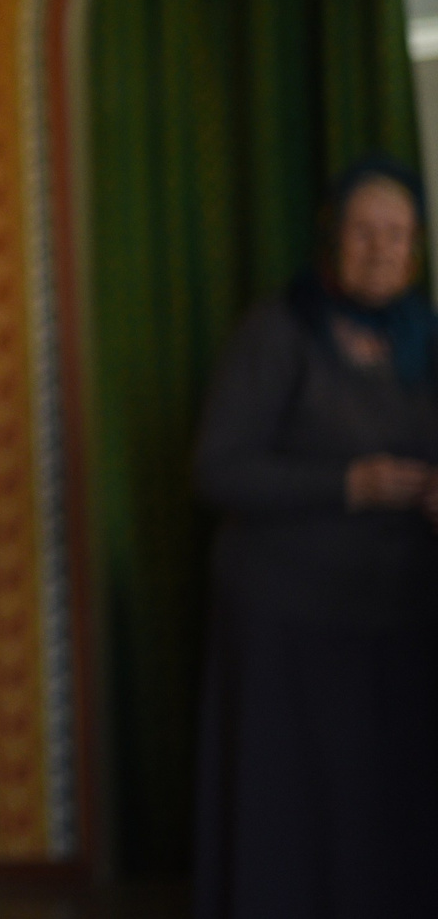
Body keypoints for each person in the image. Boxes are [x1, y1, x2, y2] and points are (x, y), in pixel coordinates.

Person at [193, 159, 438, 918]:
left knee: (387, 813)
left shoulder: (425, 337)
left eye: (397, 233)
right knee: (298, 820)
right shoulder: (280, 330)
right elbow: (216, 468)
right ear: (333, 237)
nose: (380, 248)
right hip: (287, 628)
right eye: (364, 231)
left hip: (399, 619)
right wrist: (348, 484)